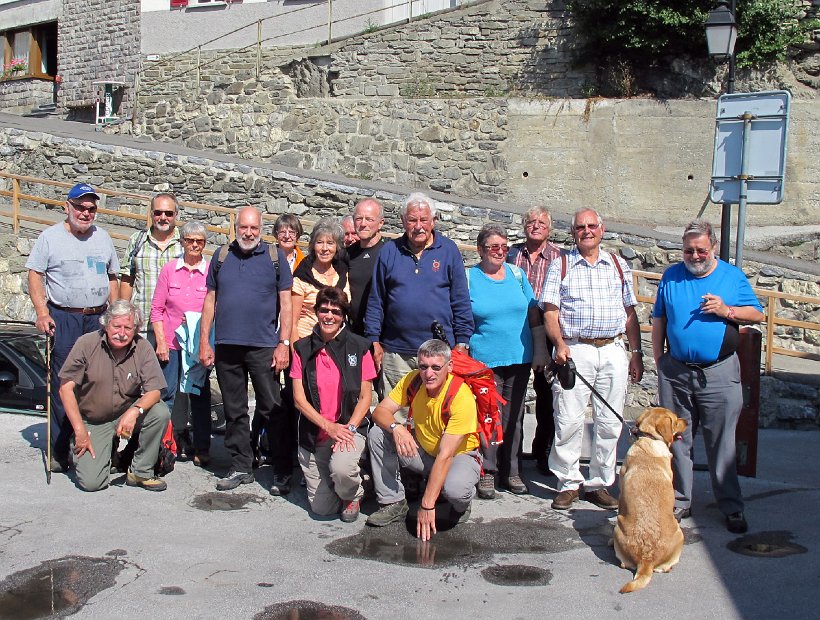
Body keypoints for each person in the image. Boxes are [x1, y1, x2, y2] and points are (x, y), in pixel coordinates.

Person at [652, 219, 764, 534]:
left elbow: (757, 313)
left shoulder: (731, 276)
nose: (695, 256)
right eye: (689, 250)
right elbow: (659, 319)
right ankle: (680, 501)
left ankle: (731, 506)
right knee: (678, 441)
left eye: (701, 250)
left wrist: (727, 310)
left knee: (722, 443)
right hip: (676, 372)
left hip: (719, 373)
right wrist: (659, 360)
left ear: (713, 246)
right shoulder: (671, 276)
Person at [541, 208, 644, 511]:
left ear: (602, 229)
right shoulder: (560, 265)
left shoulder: (618, 264)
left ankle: (600, 482)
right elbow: (550, 312)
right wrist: (559, 344)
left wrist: (636, 353)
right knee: (568, 419)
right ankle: (568, 482)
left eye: (591, 226)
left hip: (612, 348)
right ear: (572, 232)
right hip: (575, 349)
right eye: (579, 227)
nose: (586, 231)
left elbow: (629, 313)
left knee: (610, 421)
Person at [26, 182, 120, 473]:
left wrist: (115, 313)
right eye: (80, 206)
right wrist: (42, 313)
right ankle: (59, 448)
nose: (85, 212)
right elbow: (35, 274)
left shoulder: (103, 238)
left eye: (91, 208)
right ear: (67, 206)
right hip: (65, 318)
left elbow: (113, 277)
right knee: (65, 382)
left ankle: (97, 445)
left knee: (98, 382)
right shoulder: (50, 238)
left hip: (97, 318)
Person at [199, 206, 294, 493]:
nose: (249, 233)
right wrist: (204, 341)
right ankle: (241, 465)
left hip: (264, 347)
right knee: (234, 410)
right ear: (236, 227)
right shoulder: (221, 256)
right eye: (244, 227)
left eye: (254, 228)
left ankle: (281, 470)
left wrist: (284, 344)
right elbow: (210, 300)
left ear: (261, 229)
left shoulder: (275, 258)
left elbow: (286, 304)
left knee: (273, 408)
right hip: (227, 346)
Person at [366, 339, 481, 539]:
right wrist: (397, 428)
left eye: (436, 367)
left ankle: (462, 503)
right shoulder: (413, 380)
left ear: (449, 366)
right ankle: (393, 502)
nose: (428, 374)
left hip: (457, 457)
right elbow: (380, 411)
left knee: (455, 490)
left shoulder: (461, 396)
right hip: (424, 451)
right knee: (378, 433)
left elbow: (446, 455)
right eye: (423, 366)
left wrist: (427, 505)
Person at [364, 192, 474, 394]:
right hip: (397, 353)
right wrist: (373, 340)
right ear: (402, 221)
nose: (418, 226)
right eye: (412, 220)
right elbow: (376, 300)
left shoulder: (449, 251)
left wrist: (463, 342)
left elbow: (461, 300)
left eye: (424, 220)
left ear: (434, 220)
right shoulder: (389, 251)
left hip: (438, 353)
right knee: (397, 411)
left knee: (436, 410)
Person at [468, 224, 547, 499]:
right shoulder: (469, 277)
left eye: (504, 247)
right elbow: (461, 316)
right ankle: (487, 470)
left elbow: (533, 313)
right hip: (484, 360)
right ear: (480, 250)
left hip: (519, 356)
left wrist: (540, 350)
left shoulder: (517, 274)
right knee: (489, 415)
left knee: (514, 416)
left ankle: (511, 470)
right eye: (494, 247)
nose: (500, 252)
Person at [57, 300, 170, 492]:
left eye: (128, 328)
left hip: (125, 412)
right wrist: (79, 430)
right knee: (92, 483)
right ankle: (106, 452)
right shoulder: (86, 343)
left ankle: (141, 471)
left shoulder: (143, 347)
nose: (122, 333)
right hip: (94, 420)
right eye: (116, 326)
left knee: (160, 412)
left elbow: (155, 390)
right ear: (106, 324)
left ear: (136, 329)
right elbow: (65, 389)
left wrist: (134, 411)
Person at [290, 287, 376, 522]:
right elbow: (299, 400)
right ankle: (347, 481)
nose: (329, 316)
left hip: (348, 429)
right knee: (322, 509)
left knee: (341, 469)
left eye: (336, 311)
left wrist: (348, 429)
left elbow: (365, 398)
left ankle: (355, 491)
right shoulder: (301, 349)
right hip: (316, 433)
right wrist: (328, 427)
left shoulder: (359, 347)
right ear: (316, 312)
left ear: (343, 316)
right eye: (324, 310)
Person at [150, 221, 212, 466]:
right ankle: (162, 445)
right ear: (182, 242)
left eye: (199, 241)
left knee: (200, 396)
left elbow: (216, 308)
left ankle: (202, 447)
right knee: (167, 394)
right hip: (172, 343)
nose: (194, 245)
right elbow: (157, 309)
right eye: (190, 240)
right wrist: (161, 342)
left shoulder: (210, 271)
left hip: (198, 345)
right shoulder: (169, 270)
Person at [507, 206, 563, 475]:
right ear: (524, 226)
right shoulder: (511, 254)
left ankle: (543, 453)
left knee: (547, 396)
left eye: (541, 222)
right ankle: (511, 456)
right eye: (531, 221)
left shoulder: (560, 258)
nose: (536, 225)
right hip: (516, 330)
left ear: (549, 228)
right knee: (513, 393)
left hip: (548, 330)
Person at [119, 192, 182, 340]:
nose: (163, 217)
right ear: (151, 213)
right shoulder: (137, 240)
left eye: (168, 213)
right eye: (158, 213)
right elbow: (127, 278)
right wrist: (124, 314)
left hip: (174, 327)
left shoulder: (185, 243)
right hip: (142, 324)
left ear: (176, 214)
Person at [291, 217, 350, 343]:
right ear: (313, 245)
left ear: (337, 246)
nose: (324, 248)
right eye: (319, 242)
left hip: (338, 344)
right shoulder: (302, 276)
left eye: (330, 243)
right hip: (307, 342)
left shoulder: (343, 272)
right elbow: (292, 322)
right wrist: (297, 350)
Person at [346, 198, 386, 336]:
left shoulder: (390, 252)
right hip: (353, 332)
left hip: (383, 333)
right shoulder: (347, 254)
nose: (363, 224)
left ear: (381, 223)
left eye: (369, 219)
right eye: (359, 219)